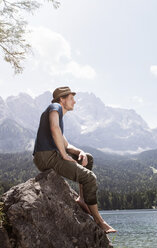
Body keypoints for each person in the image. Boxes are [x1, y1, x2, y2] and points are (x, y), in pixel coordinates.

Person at [32, 86, 117, 234]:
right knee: (90, 178)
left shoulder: (58, 117)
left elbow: (65, 143)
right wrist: (64, 155)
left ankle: (82, 199)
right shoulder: (55, 107)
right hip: (47, 157)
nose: (74, 102)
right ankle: (99, 221)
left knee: (87, 159)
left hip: (50, 155)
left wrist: (80, 152)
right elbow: (54, 129)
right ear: (61, 100)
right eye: (71, 98)